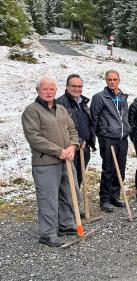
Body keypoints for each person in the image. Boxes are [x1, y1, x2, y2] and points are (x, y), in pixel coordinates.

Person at [22, 77, 80, 247]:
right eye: (45, 89)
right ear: (38, 91)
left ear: (56, 91)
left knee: (70, 193)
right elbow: (34, 138)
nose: (49, 92)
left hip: (66, 160)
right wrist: (58, 151)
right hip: (45, 163)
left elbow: (72, 129)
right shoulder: (31, 111)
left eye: (52, 89)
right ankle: (47, 233)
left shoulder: (60, 109)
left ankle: (66, 224)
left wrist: (72, 146)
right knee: (48, 198)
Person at [90, 70, 131, 213]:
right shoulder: (99, 97)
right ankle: (105, 199)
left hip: (122, 138)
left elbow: (125, 117)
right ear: (106, 81)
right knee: (108, 169)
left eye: (114, 79)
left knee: (120, 168)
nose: (112, 82)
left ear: (118, 80)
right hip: (108, 138)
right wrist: (101, 134)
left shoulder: (123, 97)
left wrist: (127, 129)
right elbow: (94, 119)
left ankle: (115, 195)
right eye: (109, 79)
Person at [56, 74, 95, 218]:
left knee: (78, 178)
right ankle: (66, 212)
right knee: (67, 181)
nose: (77, 89)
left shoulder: (83, 102)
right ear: (67, 86)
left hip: (84, 148)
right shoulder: (60, 103)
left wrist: (90, 139)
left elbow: (88, 122)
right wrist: (77, 141)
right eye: (74, 86)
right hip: (70, 148)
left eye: (79, 86)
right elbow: (61, 127)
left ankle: (74, 208)